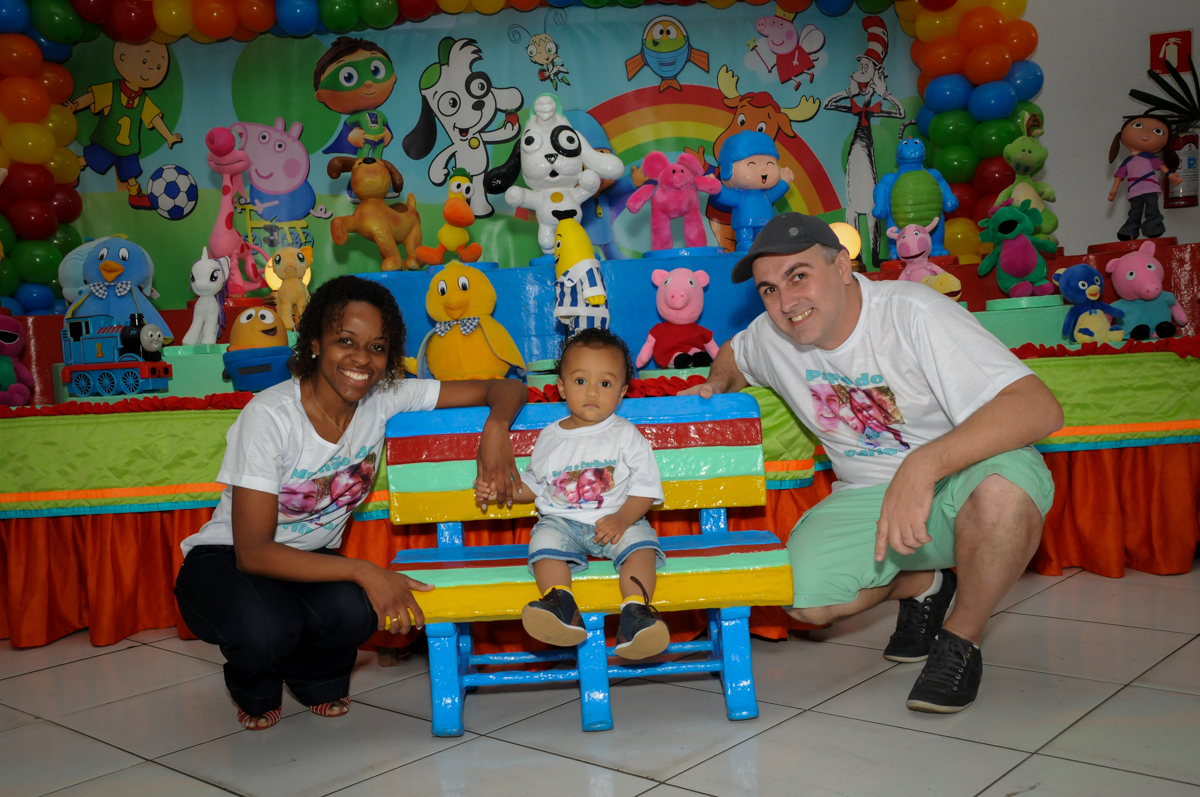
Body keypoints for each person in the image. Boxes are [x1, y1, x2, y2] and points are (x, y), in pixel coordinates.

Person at [681, 213, 1063, 713]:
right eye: (769, 289)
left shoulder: (913, 312)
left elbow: (1039, 407)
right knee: (805, 601)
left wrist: (923, 465)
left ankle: (960, 639)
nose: (786, 302)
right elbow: (736, 353)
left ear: (842, 266)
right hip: (869, 496)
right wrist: (716, 383)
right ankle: (925, 585)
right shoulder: (773, 334)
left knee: (1003, 494)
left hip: (963, 481)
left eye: (799, 276)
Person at [174, 275, 526, 731]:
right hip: (228, 561)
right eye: (345, 341)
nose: (361, 358)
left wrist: (495, 430)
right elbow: (254, 552)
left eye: (377, 347)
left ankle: (315, 680)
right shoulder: (269, 417)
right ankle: (254, 686)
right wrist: (363, 570)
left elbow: (505, 388)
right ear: (315, 343)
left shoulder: (385, 397)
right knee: (267, 628)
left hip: (310, 560)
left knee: (355, 611)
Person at [475, 329, 669, 660]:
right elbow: (536, 485)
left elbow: (646, 488)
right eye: (580, 381)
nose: (592, 391)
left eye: (605, 383)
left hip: (617, 521)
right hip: (562, 523)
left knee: (642, 546)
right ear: (562, 387)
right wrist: (501, 490)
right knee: (543, 543)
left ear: (622, 392)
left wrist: (623, 518)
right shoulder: (550, 437)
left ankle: (636, 613)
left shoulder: (625, 434)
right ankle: (560, 603)